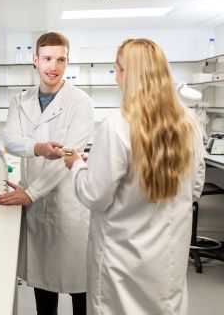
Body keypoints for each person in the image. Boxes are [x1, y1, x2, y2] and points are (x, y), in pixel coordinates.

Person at [64, 38, 205, 315]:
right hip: (167, 261)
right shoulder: (189, 124)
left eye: (117, 69)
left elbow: (95, 196)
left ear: (129, 74)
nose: (115, 76)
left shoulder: (116, 126)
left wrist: (77, 166)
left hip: (121, 261)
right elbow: (194, 189)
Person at [0, 32, 94, 315]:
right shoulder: (21, 100)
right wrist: (38, 147)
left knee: (80, 285)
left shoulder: (81, 103)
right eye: (48, 59)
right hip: (37, 206)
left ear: (68, 62)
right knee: (43, 284)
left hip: (69, 203)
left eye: (61, 59)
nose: (53, 66)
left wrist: (30, 192)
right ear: (35, 60)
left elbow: (67, 157)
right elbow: (10, 140)